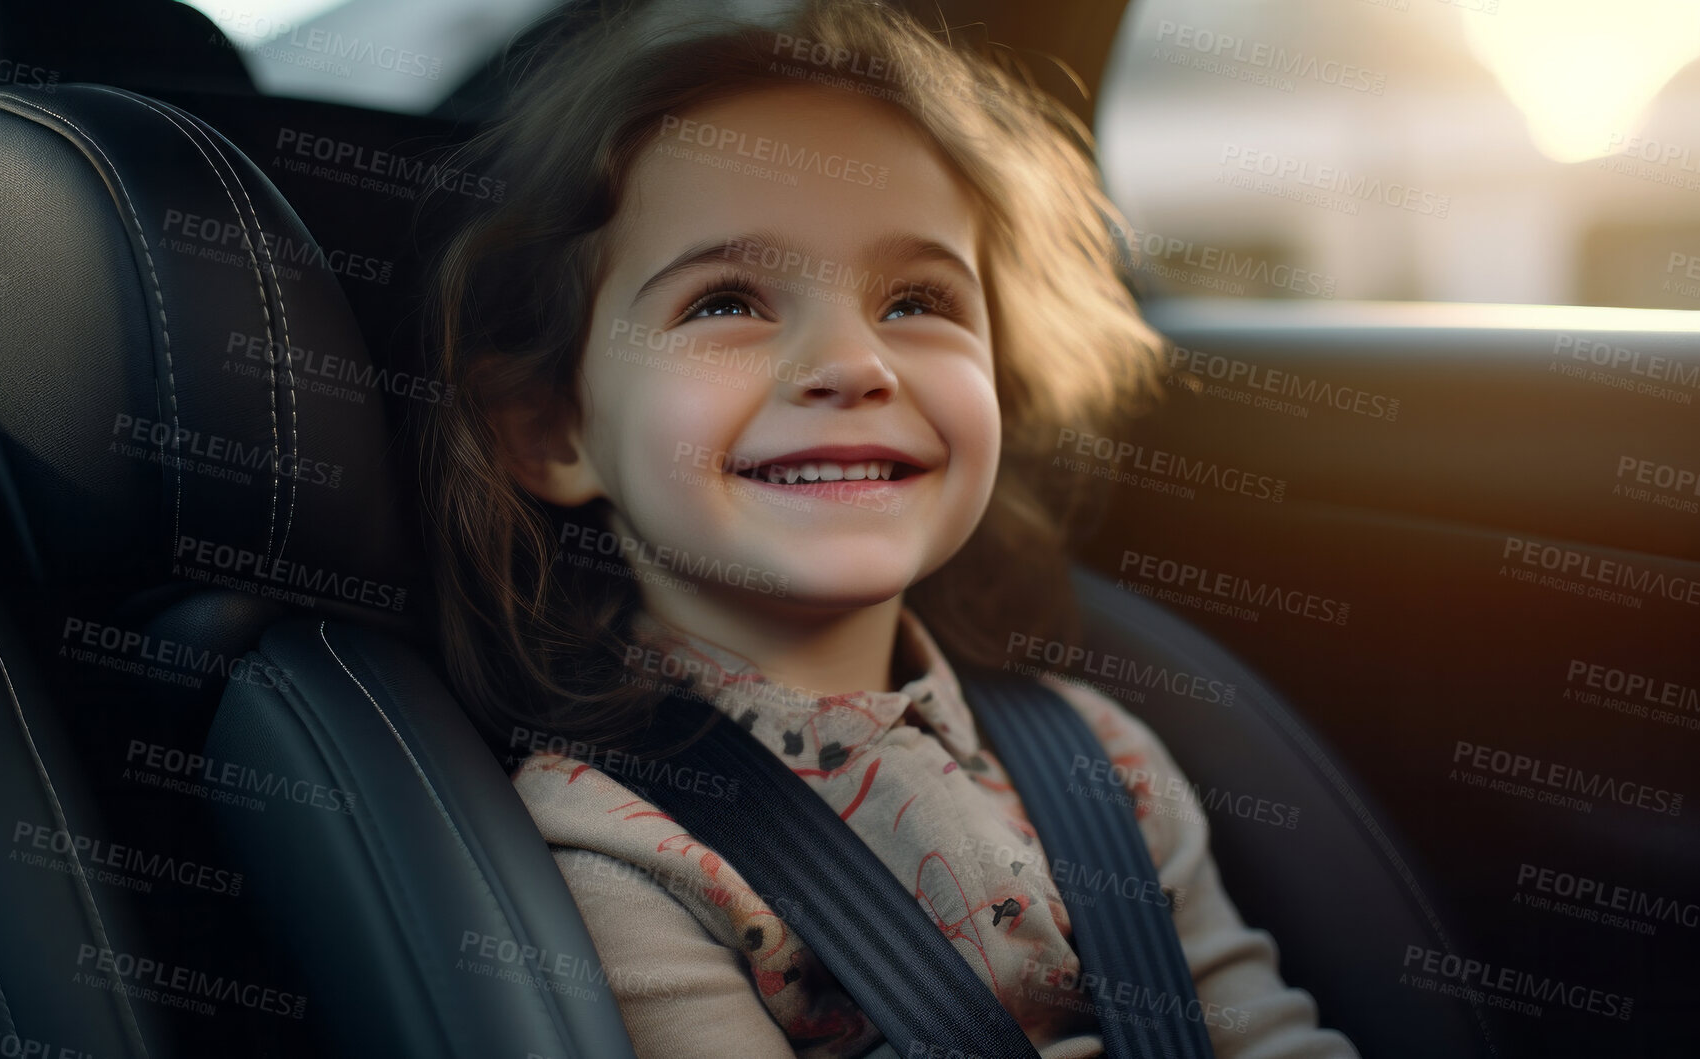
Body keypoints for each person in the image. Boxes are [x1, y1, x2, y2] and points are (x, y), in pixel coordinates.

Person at [421, 1, 1357, 1055]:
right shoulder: (612, 845)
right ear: (549, 431)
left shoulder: (1097, 757)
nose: (855, 364)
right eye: (725, 300)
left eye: (914, 300)